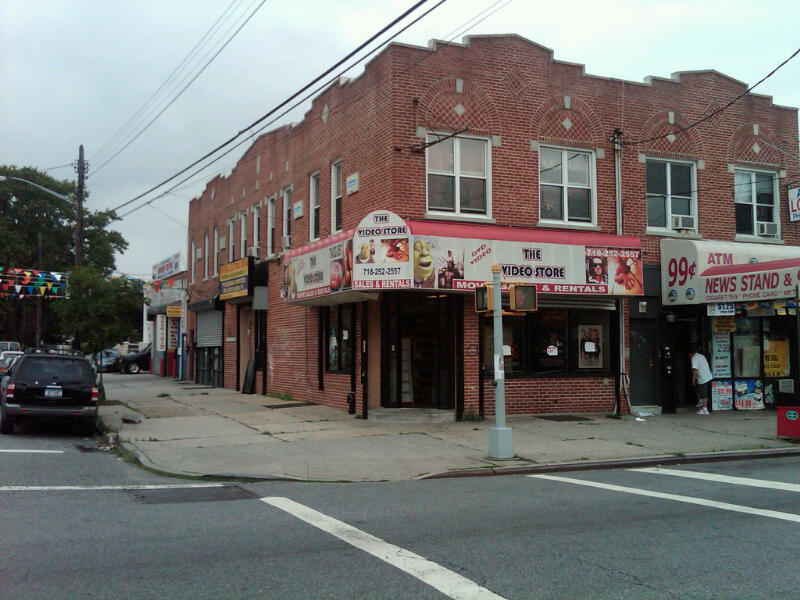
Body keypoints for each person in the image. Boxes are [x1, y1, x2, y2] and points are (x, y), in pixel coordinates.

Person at [689, 346, 713, 415]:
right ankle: (703, 407)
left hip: (703, 378)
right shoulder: (701, 356)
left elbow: (694, 370)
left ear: (690, 353)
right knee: (704, 393)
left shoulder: (694, 358)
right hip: (708, 376)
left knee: (703, 394)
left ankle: (705, 409)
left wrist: (693, 380)